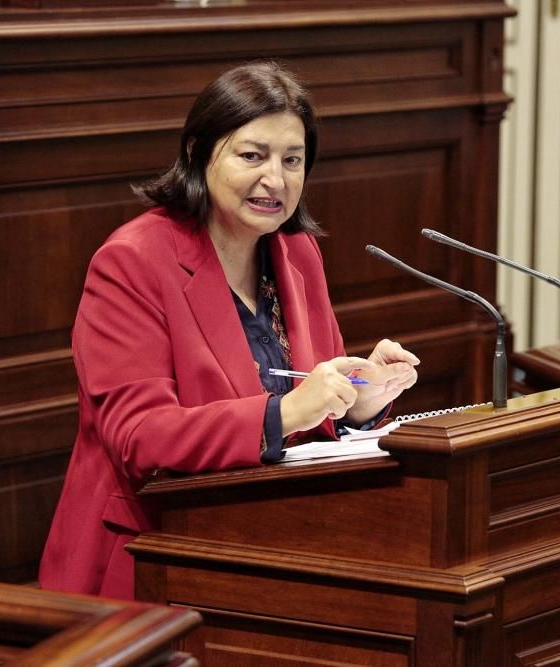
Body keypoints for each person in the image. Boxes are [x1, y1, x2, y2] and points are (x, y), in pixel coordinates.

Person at [39, 62, 420, 599]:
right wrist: (286, 411)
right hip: (155, 555)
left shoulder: (297, 252)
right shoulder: (131, 261)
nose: (276, 180)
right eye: (252, 156)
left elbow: (315, 402)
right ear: (197, 152)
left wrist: (360, 399)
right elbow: (140, 438)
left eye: (292, 160)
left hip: (279, 543)